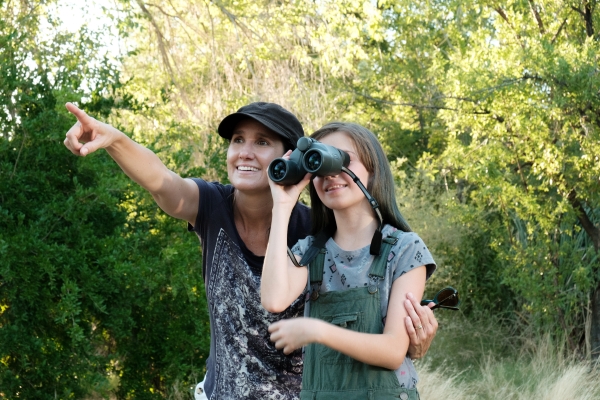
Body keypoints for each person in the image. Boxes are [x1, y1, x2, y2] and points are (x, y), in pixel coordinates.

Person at [62, 102, 438, 400]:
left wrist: (410, 345)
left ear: (289, 156)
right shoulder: (218, 208)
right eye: (237, 140)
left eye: (261, 142)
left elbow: (383, 327)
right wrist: (115, 139)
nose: (244, 152)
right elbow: (163, 182)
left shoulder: (320, 231)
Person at [261, 122, 436, 399]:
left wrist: (318, 331)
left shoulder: (404, 249)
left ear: (372, 169)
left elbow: (392, 352)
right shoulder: (309, 252)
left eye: (342, 159)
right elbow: (273, 299)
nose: (330, 175)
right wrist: (281, 206)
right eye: (319, 165)